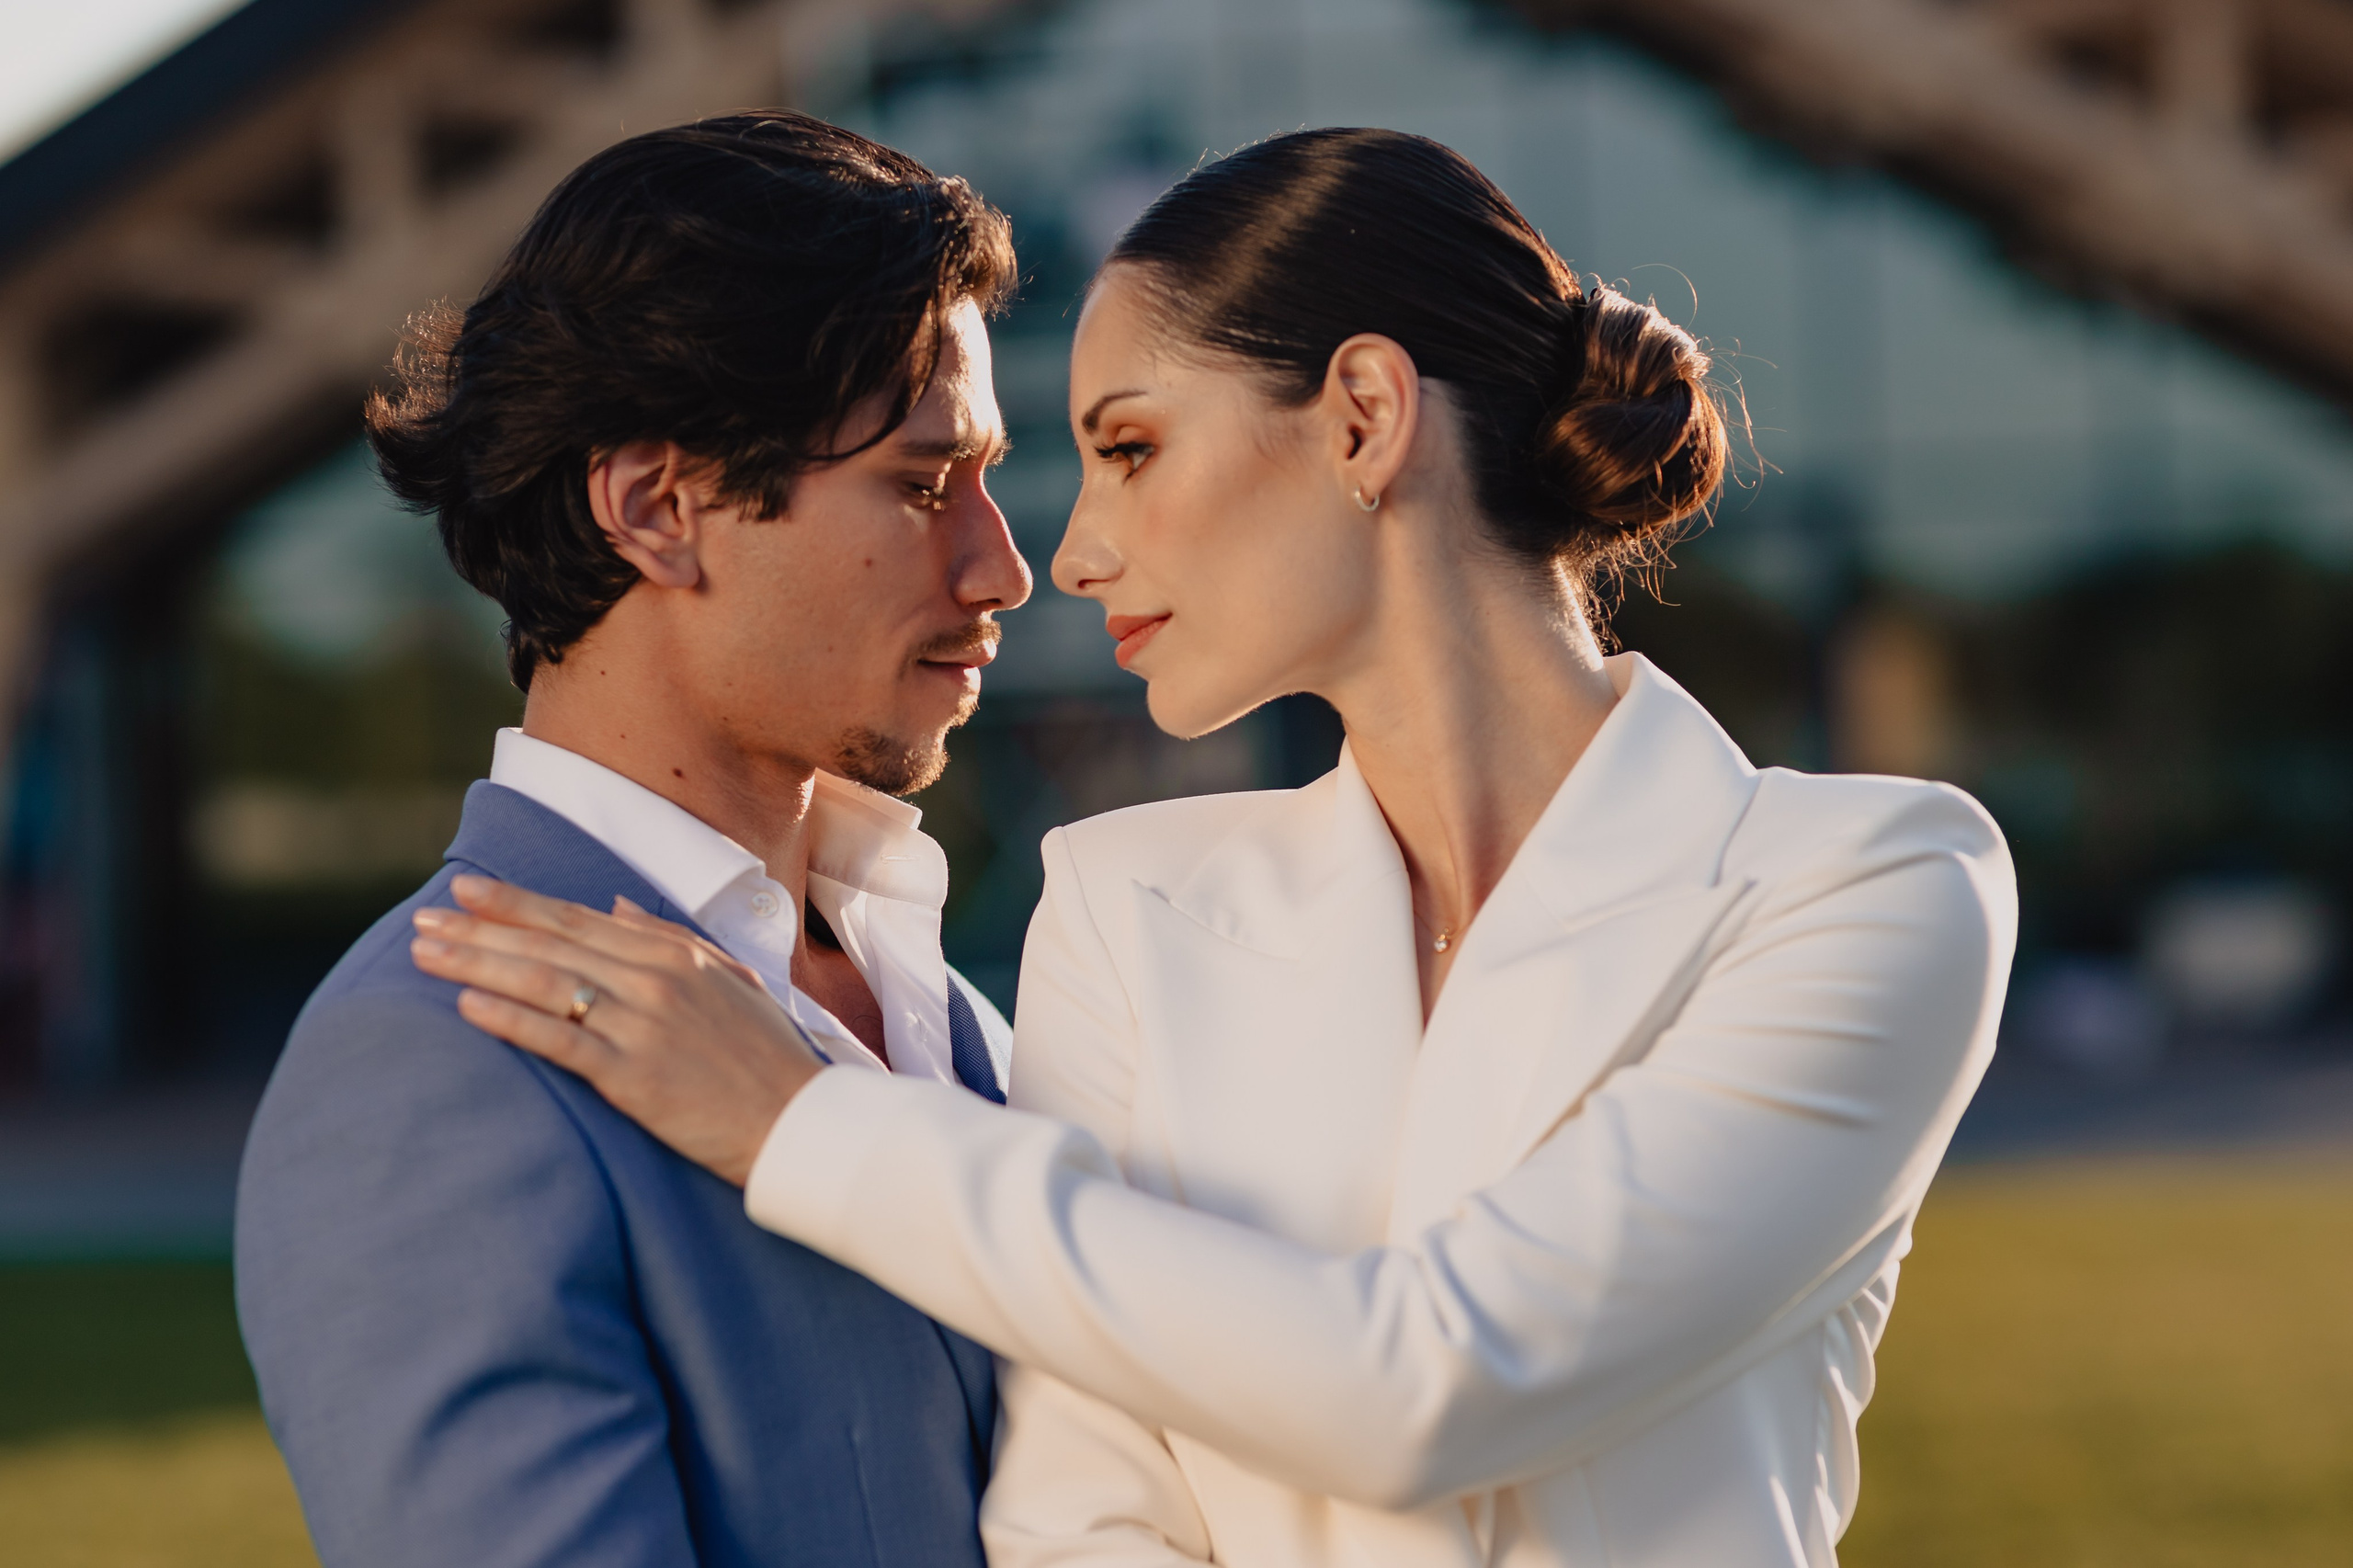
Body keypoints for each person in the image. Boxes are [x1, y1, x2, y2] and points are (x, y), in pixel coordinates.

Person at [414, 128, 2017, 1567]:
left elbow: (1437, 1380)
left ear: (1365, 418)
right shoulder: (1126, 908)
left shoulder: (1867, 886)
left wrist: (806, 1131)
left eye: (1127, 448)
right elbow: (1078, 1522)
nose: (1069, 549)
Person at [234, 111, 1031, 1568]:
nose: (1002, 564)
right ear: (658, 506)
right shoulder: (432, 1065)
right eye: (923, 485)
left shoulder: (957, 1007)